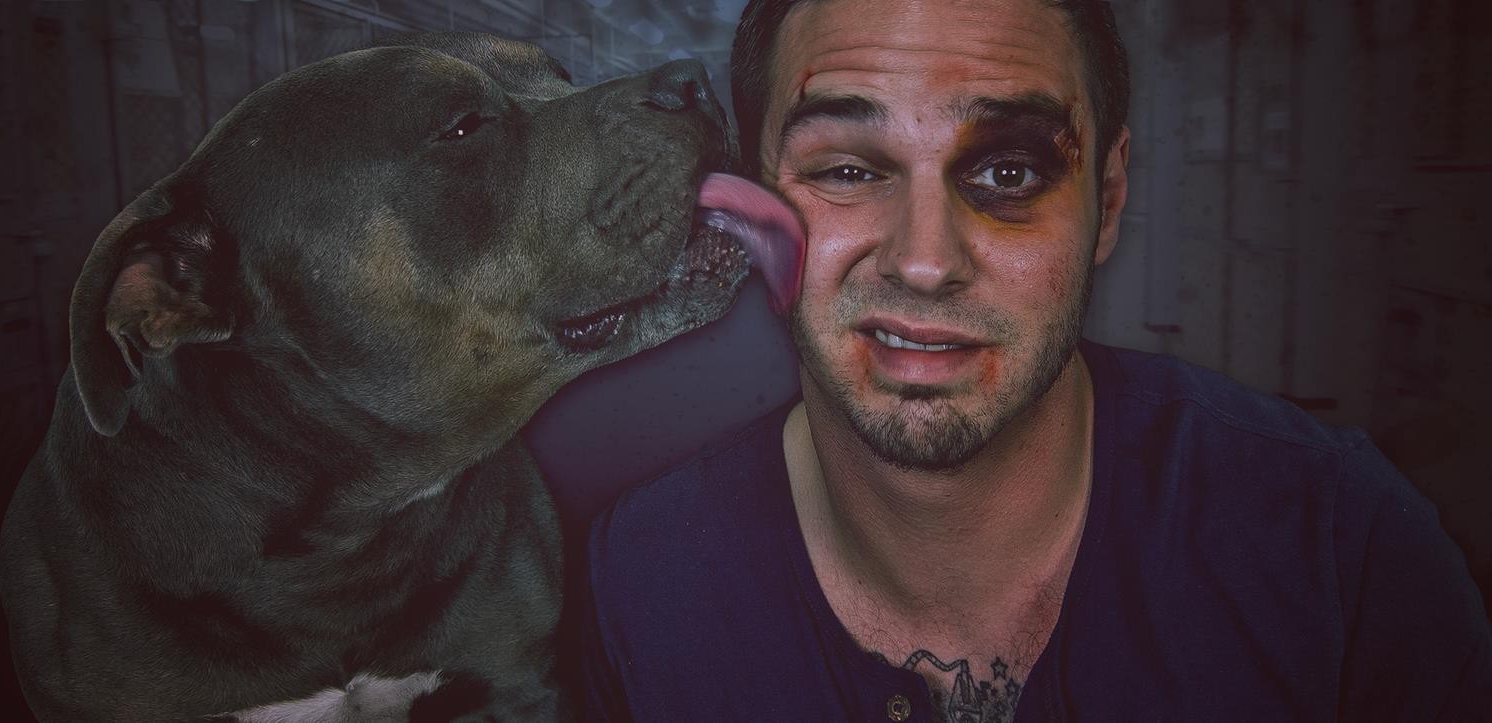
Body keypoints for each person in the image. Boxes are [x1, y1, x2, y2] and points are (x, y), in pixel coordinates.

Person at [576, 0, 1492, 720]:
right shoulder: (640, 582)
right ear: (750, 207)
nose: (925, 261)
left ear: (1109, 199)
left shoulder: (1343, 551)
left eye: (1008, 173)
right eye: (848, 169)